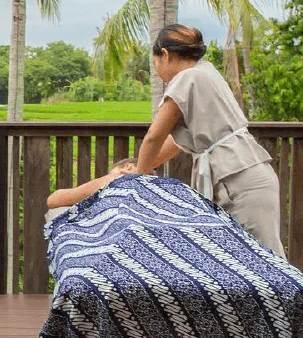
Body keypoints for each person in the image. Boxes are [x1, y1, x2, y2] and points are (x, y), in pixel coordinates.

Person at [119, 24, 285, 257]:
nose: (157, 73)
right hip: (244, 172)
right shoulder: (205, 72)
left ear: (164, 55)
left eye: (155, 64)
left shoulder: (186, 79)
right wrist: (145, 167)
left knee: (264, 260)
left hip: (240, 178)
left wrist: (139, 180)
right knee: (238, 261)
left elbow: (154, 137)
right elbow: (173, 144)